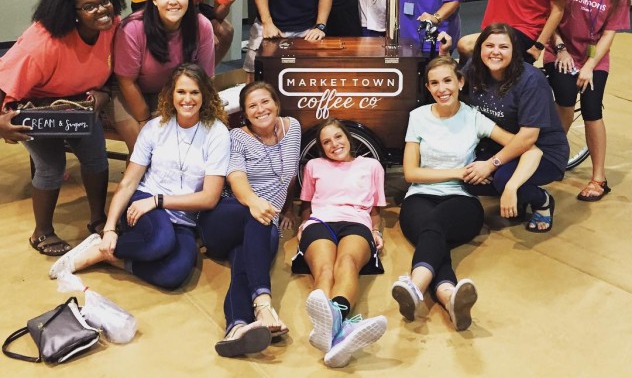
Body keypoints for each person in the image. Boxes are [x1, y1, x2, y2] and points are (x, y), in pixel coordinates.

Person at [392, 56, 543, 331]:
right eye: (434, 83)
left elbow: (525, 147)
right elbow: (411, 173)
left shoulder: (473, 118)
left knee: (434, 227)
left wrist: (501, 175)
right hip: (419, 196)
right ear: (428, 87)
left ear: (460, 82)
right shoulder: (418, 117)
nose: (442, 89)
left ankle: (415, 287)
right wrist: (459, 172)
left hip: (461, 201)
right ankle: (449, 297)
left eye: (448, 80)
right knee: (435, 237)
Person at [48, 63, 230, 289]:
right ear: (171, 94)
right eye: (181, 92)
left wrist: (160, 201)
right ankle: (102, 243)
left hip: (183, 216)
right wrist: (110, 227)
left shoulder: (217, 133)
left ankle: (107, 254)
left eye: (195, 92)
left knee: (174, 274)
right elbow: (128, 183)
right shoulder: (155, 128)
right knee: (160, 242)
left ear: (205, 95)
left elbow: (209, 198)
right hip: (143, 203)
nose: (187, 99)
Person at [0, 0, 126, 255]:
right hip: (37, 105)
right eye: (89, 6)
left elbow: (113, 71)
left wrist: (103, 94)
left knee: (96, 157)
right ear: (73, 13)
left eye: (105, 1)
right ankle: (41, 232)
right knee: (51, 166)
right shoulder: (41, 43)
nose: (102, 10)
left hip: (80, 104)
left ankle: (98, 220)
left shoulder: (112, 26)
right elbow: (3, 81)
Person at [198, 82, 300, 358]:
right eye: (252, 106)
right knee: (258, 216)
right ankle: (264, 305)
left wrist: (288, 208)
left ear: (276, 104)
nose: (260, 109)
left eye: (265, 102)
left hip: (263, 222)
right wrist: (255, 202)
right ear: (245, 113)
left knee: (243, 261)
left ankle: (237, 327)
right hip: (225, 218)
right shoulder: (237, 137)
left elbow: (289, 177)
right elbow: (236, 177)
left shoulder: (294, 129)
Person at [450, 24, 570, 232]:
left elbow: (528, 138)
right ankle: (515, 194)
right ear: (480, 49)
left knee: (504, 179)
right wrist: (444, 52)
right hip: (502, 143)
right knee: (469, 176)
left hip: (543, 151)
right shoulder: (474, 69)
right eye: (489, 45)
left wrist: (490, 165)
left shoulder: (531, 80)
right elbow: (452, 86)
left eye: (503, 47)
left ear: (514, 51)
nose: (495, 52)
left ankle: (541, 201)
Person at [544, 0, 630, 201]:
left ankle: (598, 179)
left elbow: (609, 34)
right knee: (566, 98)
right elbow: (552, 15)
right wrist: (560, 48)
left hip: (593, 56)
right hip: (561, 51)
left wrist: (591, 64)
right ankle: (553, 158)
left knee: (592, 109)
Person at [296, 118, 387, 368]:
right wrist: (304, 224)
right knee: (325, 268)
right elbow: (306, 205)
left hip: (357, 222)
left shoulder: (372, 166)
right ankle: (341, 331)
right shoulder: (314, 165)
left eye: (338, 137)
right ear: (321, 148)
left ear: (348, 138)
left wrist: (376, 230)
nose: (334, 144)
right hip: (320, 222)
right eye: (326, 142)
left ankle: (332, 326)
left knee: (346, 262)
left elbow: (376, 210)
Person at [112, 0, 215, 152]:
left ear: (189, 0)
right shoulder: (132, 28)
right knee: (144, 147)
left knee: (179, 144)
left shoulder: (201, 25)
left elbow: (205, 77)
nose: (173, 2)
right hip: (127, 91)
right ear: (153, 0)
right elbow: (126, 81)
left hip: (170, 92)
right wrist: (145, 120)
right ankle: (135, 181)